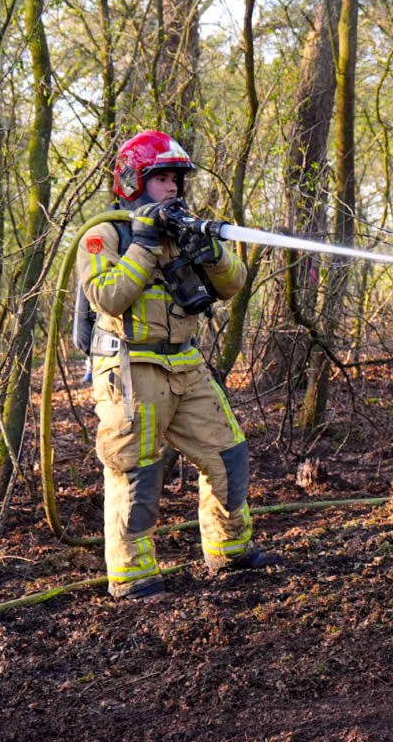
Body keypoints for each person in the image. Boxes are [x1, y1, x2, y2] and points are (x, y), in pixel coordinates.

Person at [77, 130, 277, 600]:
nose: (172, 188)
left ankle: (229, 551)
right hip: (129, 369)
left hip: (185, 364)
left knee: (227, 453)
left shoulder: (182, 231)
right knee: (136, 472)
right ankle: (133, 577)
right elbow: (107, 295)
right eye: (161, 178)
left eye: (176, 180)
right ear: (133, 182)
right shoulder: (104, 235)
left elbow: (233, 285)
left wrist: (213, 253)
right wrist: (143, 245)